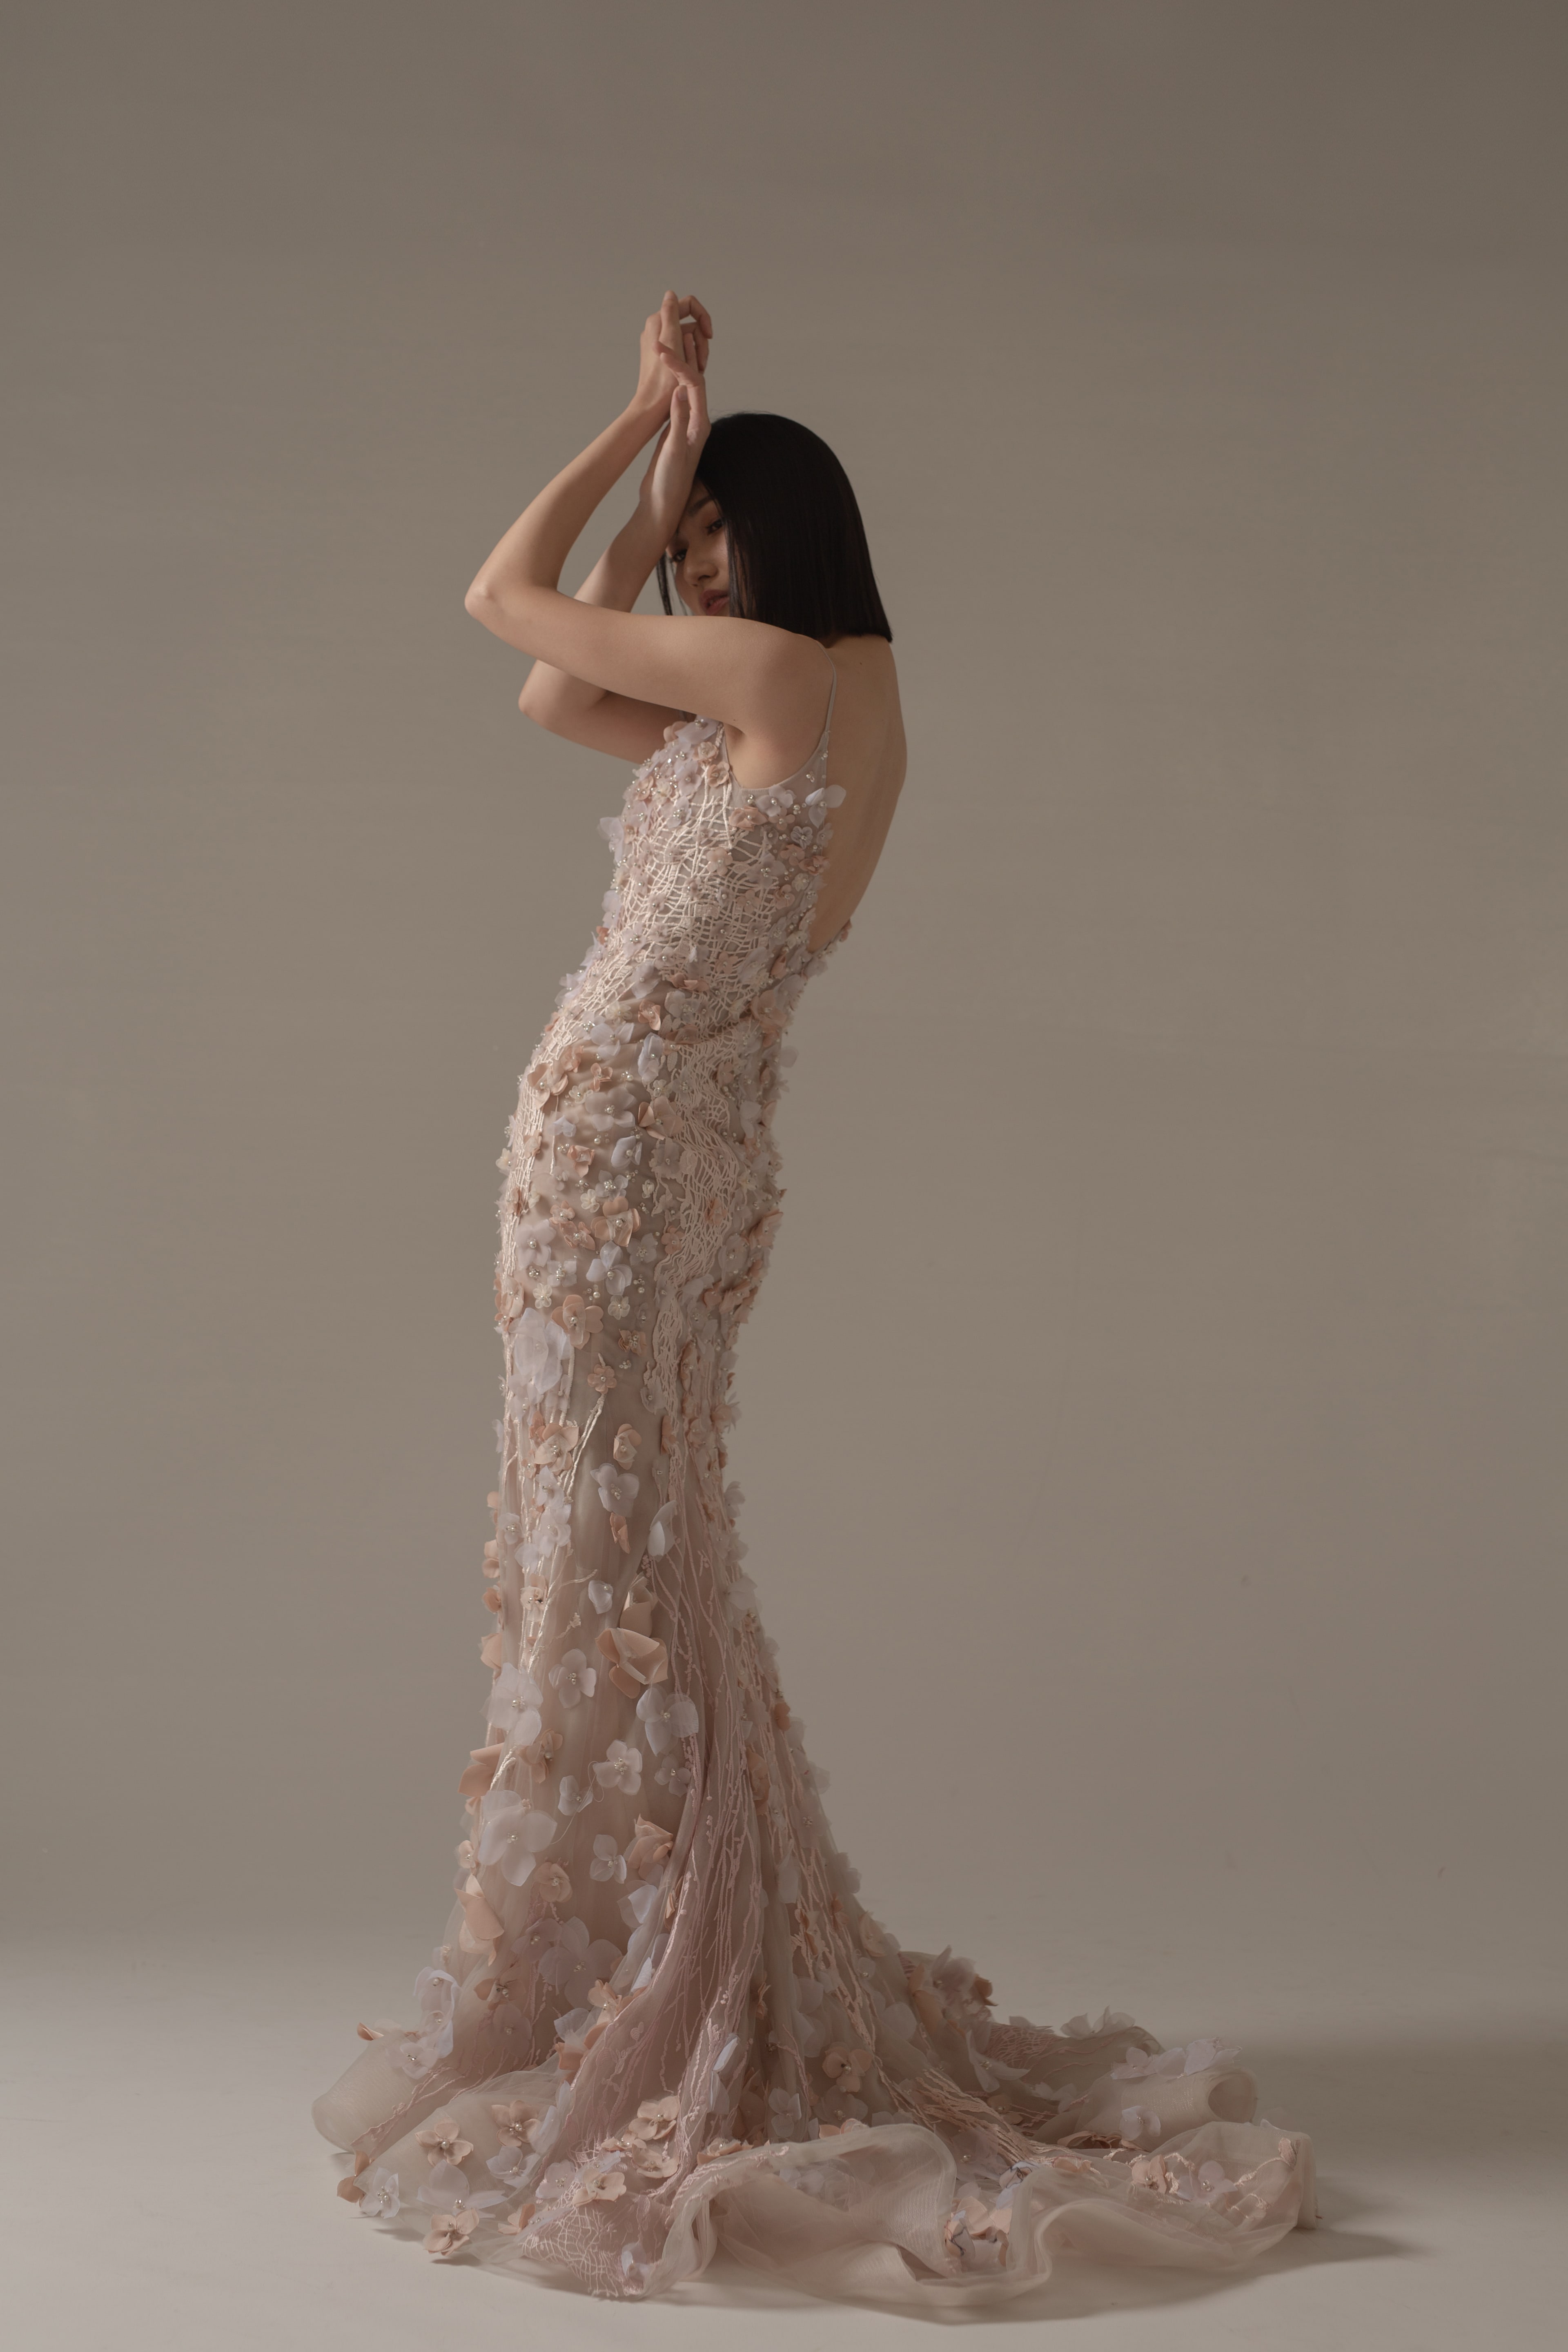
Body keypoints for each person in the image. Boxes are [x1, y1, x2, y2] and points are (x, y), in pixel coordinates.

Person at [313, 294, 1315, 2303]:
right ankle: (676, 1945)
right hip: (686, 1167)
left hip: (621, 1160)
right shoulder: (834, 701)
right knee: (644, 1560)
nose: (690, 572)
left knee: (619, 1560)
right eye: (685, 551)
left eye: (712, 537)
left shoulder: (765, 672)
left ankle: (671, 1982)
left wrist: (634, 430)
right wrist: (670, 484)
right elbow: (555, 692)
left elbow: (502, 603)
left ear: (786, 532)